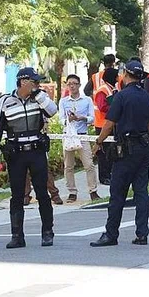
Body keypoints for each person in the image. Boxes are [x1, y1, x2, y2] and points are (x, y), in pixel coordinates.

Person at [0, 67, 59, 249]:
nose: (37, 84)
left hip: (36, 151)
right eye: (34, 81)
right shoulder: (4, 102)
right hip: (16, 154)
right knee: (17, 195)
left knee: (42, 193)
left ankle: (47, 232)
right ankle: (17, 235)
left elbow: (52, 111)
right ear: (23, 82)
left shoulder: (40, 99)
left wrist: (39, 95)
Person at [90, 60, 149, 247]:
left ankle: (111, 234)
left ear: (126, 74)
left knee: (118, 193)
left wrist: (99, 142)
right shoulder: (147, 97)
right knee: (141, 192)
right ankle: (142, 234)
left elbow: (109, 123)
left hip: (125, 150)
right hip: (143, 148)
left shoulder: (121, 96)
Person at [59, 74, 101, 203]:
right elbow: (61, 119)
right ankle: (72, 192)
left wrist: (81, 118)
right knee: (68, 166)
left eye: (74, 83)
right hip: (69, 135)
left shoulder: (86, 100)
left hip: (82, 134)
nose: (72, 86)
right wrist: (68, 120)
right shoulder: (63, 101)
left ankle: (93, 191)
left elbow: (92, 118)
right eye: (69, 83)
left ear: (79, 85)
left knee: (89, 164)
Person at [93, 67, 119, 184]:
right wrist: (117, 109)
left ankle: (110, 173)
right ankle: (104, 177)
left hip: (111, 123)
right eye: (116, 75)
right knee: (103, 152)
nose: (118, 77)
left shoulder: (113, 88)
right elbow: (102, 106)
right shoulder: (102, 90)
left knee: (112, 151)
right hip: (102, 125)